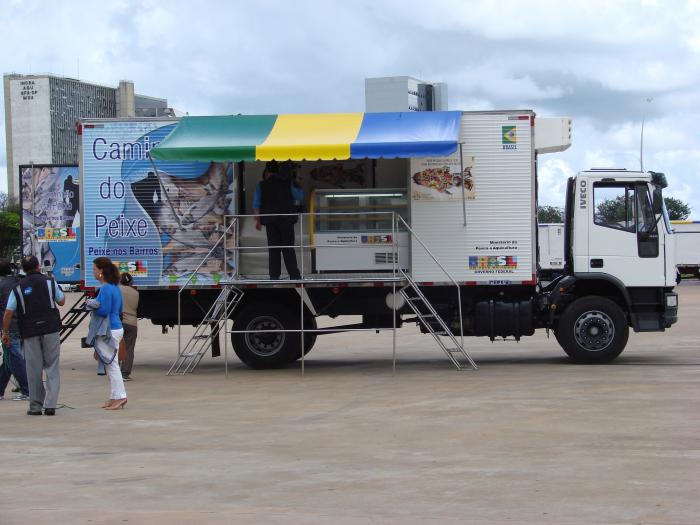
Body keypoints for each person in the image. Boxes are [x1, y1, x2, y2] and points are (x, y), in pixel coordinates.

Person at [1, 256, 64, 416]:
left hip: (29, 331)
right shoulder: (49, 282)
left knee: (33, 368)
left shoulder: (18, 287)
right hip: (50, 328)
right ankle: (50, 405)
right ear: (38, 266)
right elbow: (62, 301)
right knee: (52, 366)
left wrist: (5, 332)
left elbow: (8, 313)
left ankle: (35, 406)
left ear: (24, 268)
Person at [86, 257, 126, 410]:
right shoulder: (115, 287)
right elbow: (118, 308)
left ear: (101, 271)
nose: (93, 272)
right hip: (116, 326)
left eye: (94, 269)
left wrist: (92, 304)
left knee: (112, 364)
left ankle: (120, 396)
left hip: (108, 329)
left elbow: (104, 310)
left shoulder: (105, 289)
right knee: (111, 364)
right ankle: (115, 396)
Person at [252, 160, 303, 280]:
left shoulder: (261, 185)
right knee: (288, 248)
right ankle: (294, 276)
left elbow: (256, 205)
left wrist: (258, 222)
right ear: (278, 170)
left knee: (274, 250)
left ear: (267, 171)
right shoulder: (288, 183)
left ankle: (274, 276)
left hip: (270, 221)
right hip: (287, 220)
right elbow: (299, 197)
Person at [0, 259, 29, 401]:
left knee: (15, 358)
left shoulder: (1, 285)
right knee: (9, 358)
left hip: (10, 326)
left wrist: (4, 331)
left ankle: (27, 389)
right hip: (23, 325)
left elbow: (6, 311)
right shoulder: (18, 282)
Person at [119, 272, 139, 381]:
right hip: (132, 323)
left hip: (119, 322)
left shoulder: (117, 290)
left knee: (116, 347)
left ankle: (116, 372)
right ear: (131, 282)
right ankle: (125, 374)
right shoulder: (136, 293)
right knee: (129, 349)